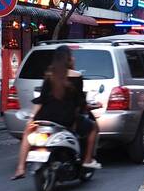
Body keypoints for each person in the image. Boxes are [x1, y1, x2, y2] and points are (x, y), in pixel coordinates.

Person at [12, 46, 99, 180]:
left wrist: (32, 118)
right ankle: (87, 160)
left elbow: (41, 100)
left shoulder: (49, 75)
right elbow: (80, 102)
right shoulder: (76, 76)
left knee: (28, 133)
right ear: (69, 59)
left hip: (45, 116)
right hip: (66, 118)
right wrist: (92, 107)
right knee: (93, 127)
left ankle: (20, 167)